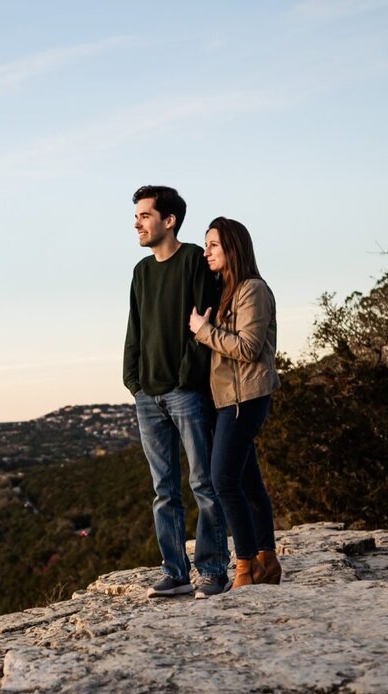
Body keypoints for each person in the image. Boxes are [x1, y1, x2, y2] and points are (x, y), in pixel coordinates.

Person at [124, 186, 231, 598]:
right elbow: (135, 327)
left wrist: (186, 377)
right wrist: (133, 380)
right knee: (163, 490)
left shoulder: (193, 261)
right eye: (137, 216)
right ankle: (175, 572)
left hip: (186, 393)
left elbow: (204, 322)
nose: (137, 223)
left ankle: (213, 571)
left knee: (203, 484)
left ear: (168, 221)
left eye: (145, 215)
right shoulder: (141, 272)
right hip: (147, 396)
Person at [188, 217, 282, 588]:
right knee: (248, 481)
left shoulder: (252, 289)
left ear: (233, 248)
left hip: (246, 398)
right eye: (206, 244)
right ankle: (267, 560)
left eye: (213, 245)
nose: (206, 252)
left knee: (223, 480)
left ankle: (246, 566)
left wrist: (203, 331)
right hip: (228, 399)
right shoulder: (227, 290)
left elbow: (248, 347)